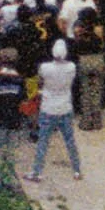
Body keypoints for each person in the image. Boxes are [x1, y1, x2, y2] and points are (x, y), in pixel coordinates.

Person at [30, 39, 83, 181]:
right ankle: (77, 170)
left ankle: (37, 172)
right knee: (69, 140)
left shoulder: (45, 67)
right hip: (65, 107)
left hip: (48, 108)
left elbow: (41, 82)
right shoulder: (71, 67)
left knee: (43, 141)